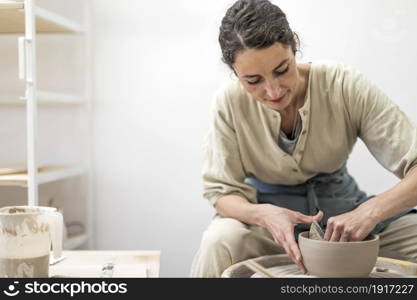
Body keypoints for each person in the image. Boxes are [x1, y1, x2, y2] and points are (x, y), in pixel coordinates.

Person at [190, 0, 417, 277]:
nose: (273, 91)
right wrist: (265, 214)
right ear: (235, 73)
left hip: (343, 214)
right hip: (267, 227)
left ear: (294, 47)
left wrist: (369, 213)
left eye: (282, 69)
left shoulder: (343, 84)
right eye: (253, 81)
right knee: (220, 241)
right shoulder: (228, 102)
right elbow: (222, 193)